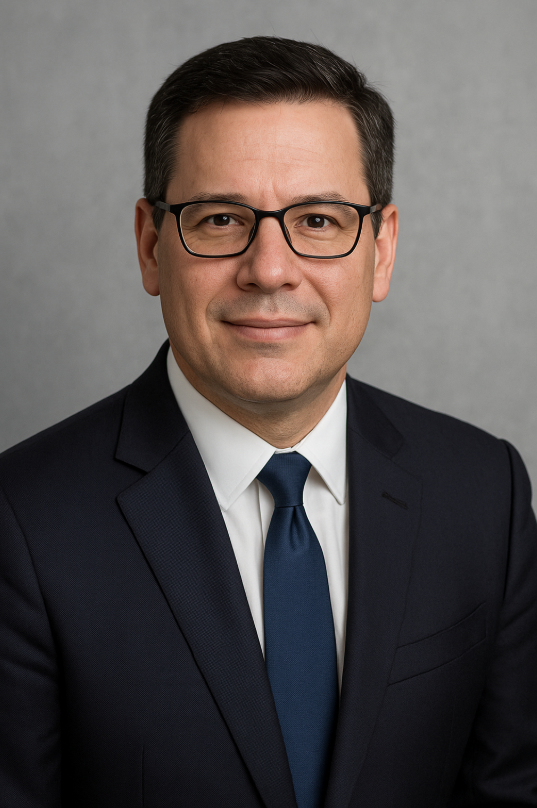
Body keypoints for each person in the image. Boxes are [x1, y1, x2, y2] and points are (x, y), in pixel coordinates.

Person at [0, 35, 536, 808]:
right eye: (221, 218)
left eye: (317, 219)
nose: (269, 269)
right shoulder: (22, 522)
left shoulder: (484, 493)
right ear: (151, 246)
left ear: (381, 249)